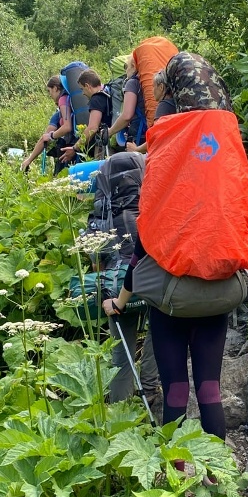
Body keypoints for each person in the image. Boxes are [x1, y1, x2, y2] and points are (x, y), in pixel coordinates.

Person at [102, 51, 248, 442]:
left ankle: (175, 474)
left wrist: (118, 303)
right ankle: (217, 474)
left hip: (171, 297)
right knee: (209, 389)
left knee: (176, 391)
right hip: (217, 295)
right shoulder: (225, 155)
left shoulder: (167, 169)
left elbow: (143, 247)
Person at [94, 152, 159, 405]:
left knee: (121, 353)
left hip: (116, 291)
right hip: (151, 286)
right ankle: (150, 390)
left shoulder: (101, 215)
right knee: (158, 334)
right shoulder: (152, 210)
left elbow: (95, 259)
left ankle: (121, 408)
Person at [21, 76, 74, 174]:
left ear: (55, 88)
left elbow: (45, 138)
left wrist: (29, 160)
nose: (50, 95)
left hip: (67, 150)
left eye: (49, 91)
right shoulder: (72, 103)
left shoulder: (63, 100)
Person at [60, 69, 112, 166]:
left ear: (87, 86)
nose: (83, 93)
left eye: (82, 89)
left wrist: (75, 148)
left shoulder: (96, 99)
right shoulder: (107, 92)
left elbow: (92, 127)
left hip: (106, 146)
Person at [126, 70, 176, 155]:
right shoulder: (175, 103)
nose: (152, 91)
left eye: (153, 86)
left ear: (161, 87)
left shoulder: (164, 106)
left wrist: (136, 149)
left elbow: (156, 138)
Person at [108, 55, 147, 149]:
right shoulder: (147, 81)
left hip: (138, 135)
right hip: (150, 134)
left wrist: (110, 132)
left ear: (133, 66)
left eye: (126, 67)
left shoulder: (132, 83)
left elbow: (127, 116)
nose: (126, 71)